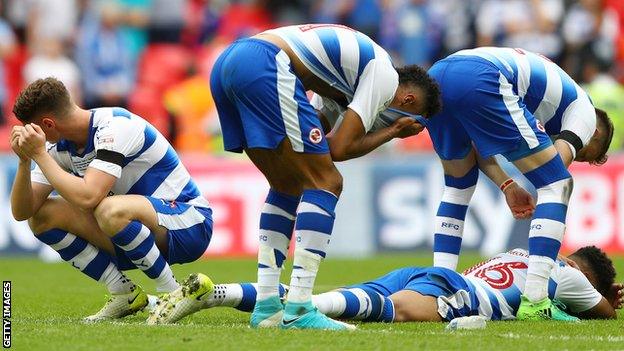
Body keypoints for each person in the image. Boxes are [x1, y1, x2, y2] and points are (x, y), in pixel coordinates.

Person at [150, 23, 441, 330]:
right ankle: (301, 306)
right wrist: (393, 131)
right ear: (407, 101)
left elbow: (323, 147)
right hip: (265, 63)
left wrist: (380, 131)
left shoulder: (344, 84)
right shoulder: (384, 76)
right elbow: (341, 149)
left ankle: (266, 306)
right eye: (410, 115)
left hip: (231, 62)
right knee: (328, 182)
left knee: (287, 183)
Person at [424, 47, 614, 321]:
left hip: (440, 73)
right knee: (558, 183)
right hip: (482, 75)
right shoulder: (583, 112)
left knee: (459, 184)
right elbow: (553, 174)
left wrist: (507, 185)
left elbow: (475, 147)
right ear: (593, 134)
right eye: (584, 153)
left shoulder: (542, 105)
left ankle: (438, 288)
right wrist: (549, 257)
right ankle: (536, 300)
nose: (578, 153)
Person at [9, 77, 213, 322]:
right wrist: (24, 160)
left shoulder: (115, 126)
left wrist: (39, 154)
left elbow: (89, 196)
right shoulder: (57, 149)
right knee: (42, 216)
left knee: (108, 208)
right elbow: (22, 211)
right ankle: (124, 293)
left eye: (32, 129)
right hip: (137, 233)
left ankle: (172, 293)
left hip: (189, 223)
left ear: (47, 124)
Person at [147, 245, 623, 324]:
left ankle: (215, 293)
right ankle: (297, 318)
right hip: (455, 293)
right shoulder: (566, 275)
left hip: (430, 274)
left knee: (313, 297)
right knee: (384, 312)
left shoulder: (522, 255)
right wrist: (608, 300)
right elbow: (602, 312)